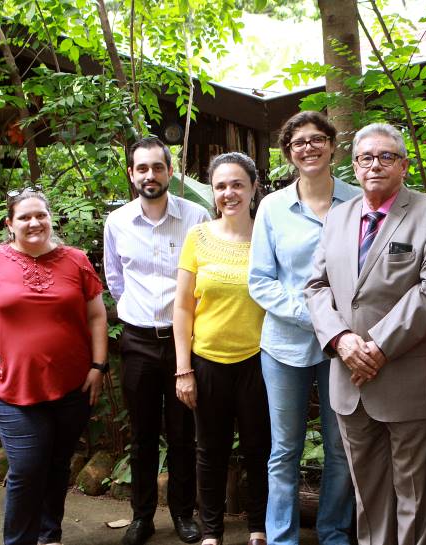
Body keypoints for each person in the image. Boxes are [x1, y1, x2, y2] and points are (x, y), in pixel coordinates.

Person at [305, 123, 426, 545]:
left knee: (414, 496)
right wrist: (341, 339)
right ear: (355, 166)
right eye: (366, 158)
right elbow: (317, 286)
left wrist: (376, 346)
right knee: (368, 496)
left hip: (409, 380)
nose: (375, 165)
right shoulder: (338, 217)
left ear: (404, 165)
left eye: (386, 156)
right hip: (349, 379)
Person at [0, 188, 107, 545]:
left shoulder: (77, 260)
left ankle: (50, 536)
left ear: (50, 218)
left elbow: (97, 316)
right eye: (24, 217)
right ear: (9, 224)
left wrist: (98, 365)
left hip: (72, 388)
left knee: (58, 464)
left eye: (40, 215)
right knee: (28, 469)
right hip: (14, 389)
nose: (34, 222)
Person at [248, 111, 357, 545]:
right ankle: (282, 538)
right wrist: (317, 318)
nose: (308, 148)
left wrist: (338, 328)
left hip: (343, 348)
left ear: (332, 145)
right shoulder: (272, 207)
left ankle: (334, 533)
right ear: (288, 152)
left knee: (341, 447)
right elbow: (260, 280)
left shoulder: (357, 202)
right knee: (284, 449)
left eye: (316, 139)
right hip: (285, 344)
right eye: (298, 142)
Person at [104, 137, 209, 545]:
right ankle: (142, 516)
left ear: (170, 171)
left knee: (183, 434)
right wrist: (139, 311)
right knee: (142, 434)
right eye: (142, 168)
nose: (151, 175)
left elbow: (205, 276)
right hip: (138, 341)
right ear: (132, 174)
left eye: (158, 167)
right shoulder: (117, 223)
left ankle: (183, 514)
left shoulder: (196, 217)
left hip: (185, 343)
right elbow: (115, 279)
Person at [173, 152, 270, 545]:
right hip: (208, 360)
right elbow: (183, 306)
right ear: (213, 192)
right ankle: (212, 531)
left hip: (259, 360)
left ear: (253, 188)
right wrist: (183, 369)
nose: (229, 193)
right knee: (210, 451)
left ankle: (258, 527)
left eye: (237, 184)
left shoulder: (267, 237)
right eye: (221, 186)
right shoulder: (197, 237)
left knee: (259, 449)